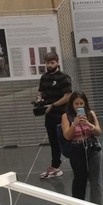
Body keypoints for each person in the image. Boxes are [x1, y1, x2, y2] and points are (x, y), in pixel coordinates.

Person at [59, 91, 103, 204]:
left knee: (95, 179)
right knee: (80, 177)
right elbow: (67, 136)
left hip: (92, 147)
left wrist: (88, 124)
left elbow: (98, 132)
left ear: (85, 104)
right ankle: (78, 204)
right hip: (76, 148)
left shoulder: (90, 114)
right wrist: (74, 124)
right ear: (72, 104)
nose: (79, 106)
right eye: (76, 104)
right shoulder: (66, 116)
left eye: (81, 103)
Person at [35, 51, 72, 180]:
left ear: (57, 62)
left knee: (67, 140)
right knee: (54, 142)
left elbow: (67, 96)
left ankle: (80, 163)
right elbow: (40, 92)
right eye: (47, 63)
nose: (49, 65)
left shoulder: (64, 78)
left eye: (52, 62)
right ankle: (55, 167)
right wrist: (39, 99)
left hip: (62, 115)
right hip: (49, 115)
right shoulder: (44, 77)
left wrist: (53, 105)